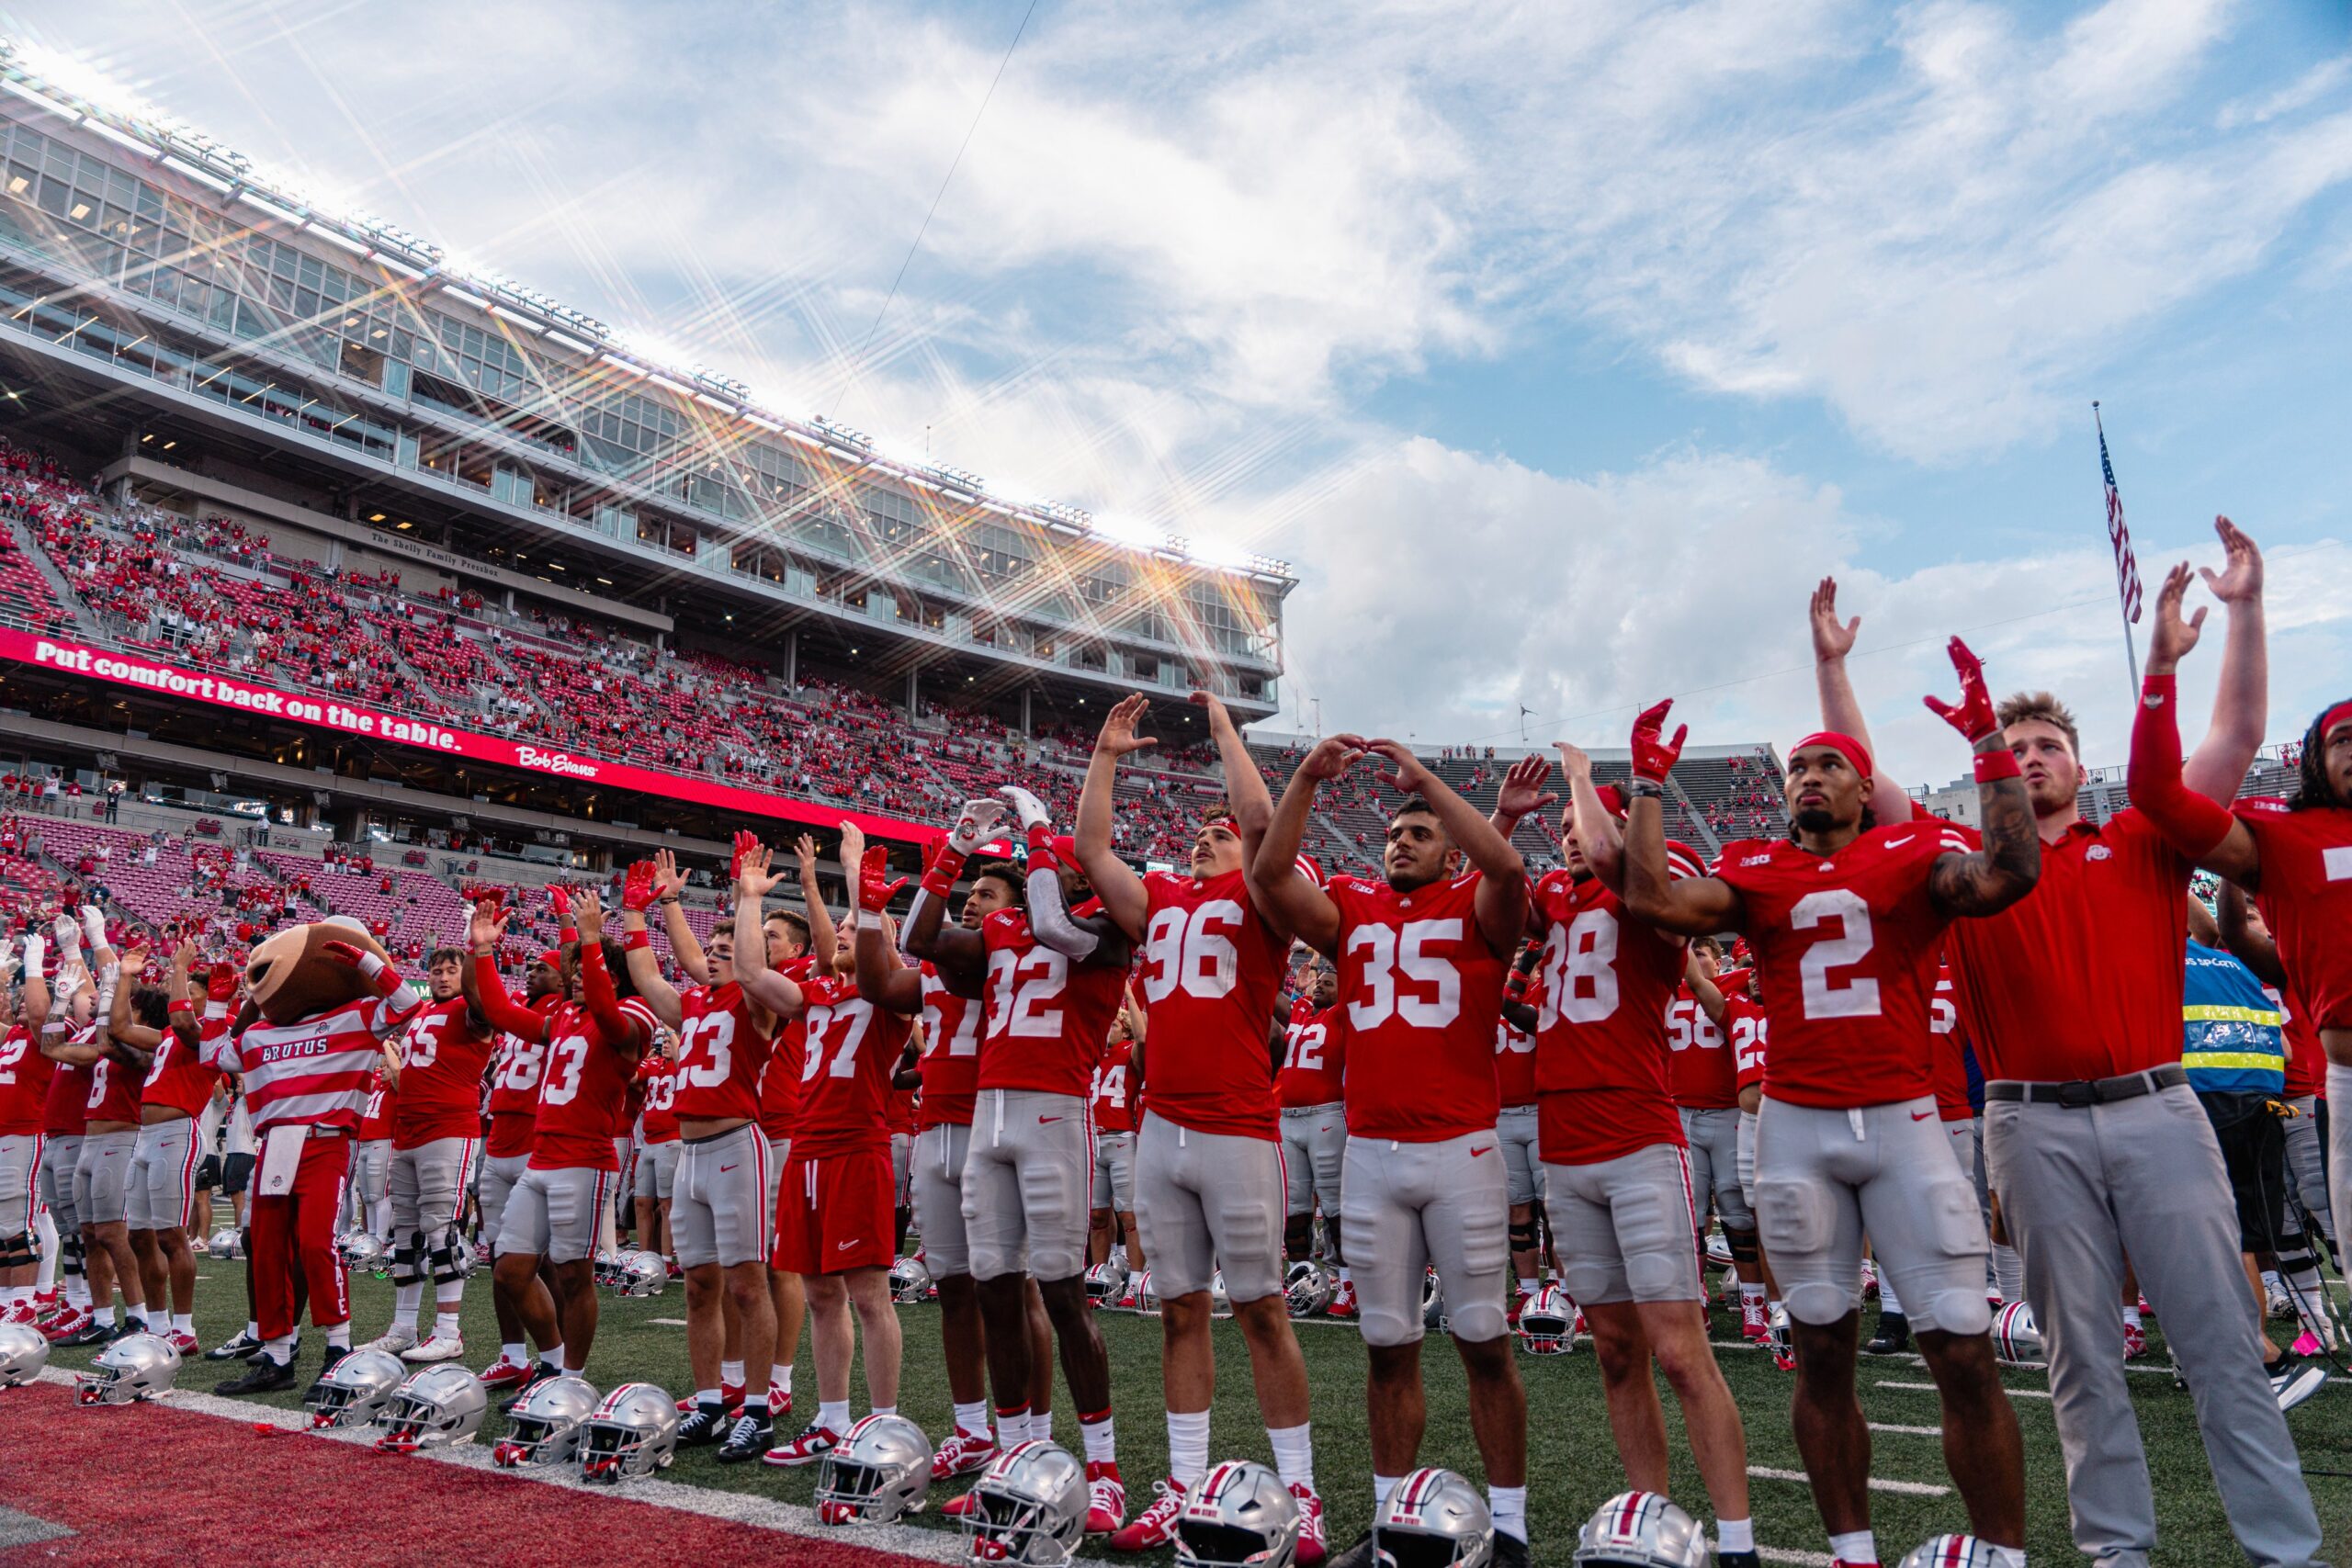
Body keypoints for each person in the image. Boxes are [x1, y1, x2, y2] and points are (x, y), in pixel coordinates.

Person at [1812, 536, 2324, 1568]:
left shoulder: (2141, 833)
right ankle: (2115, 1552)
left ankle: (2283, 1552)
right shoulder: (1964, 861)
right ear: (1990, 768)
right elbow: (1865, 782)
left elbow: (2235, 733)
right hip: (2027, 1118)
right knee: (2078, 1355)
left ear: (2077, 764)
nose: (2032, 755)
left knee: (2220, 1341)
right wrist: (1833, 666)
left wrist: (2246, 610)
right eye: (2015, 744)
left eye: (2047, 742)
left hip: (2158, 1108)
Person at [1618, 637, 2038, 1568]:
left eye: (1829, 764)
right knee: (1821, 1353)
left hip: (1904, 1120)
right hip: (1797, 1129)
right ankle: (1852, 1553)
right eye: (1799, 765)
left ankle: (2003, 1554)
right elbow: (1649, 901)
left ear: (1863, 786)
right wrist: (1646, 786)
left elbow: (2011, 873)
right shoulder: (1756, 869)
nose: (1809, 774)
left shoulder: (1913, 850)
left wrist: (1988, 747)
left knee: (1962, 1351)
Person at [1247, 733, 1531, 1568]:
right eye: (1392, 834)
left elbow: (1510, 873)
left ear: (1450, 842)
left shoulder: (1480, 903)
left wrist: (1430, 786)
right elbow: (1268, 878)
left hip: (1461, 1149)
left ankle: (1508, 1524)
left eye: (1417, 833)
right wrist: (1302, 777)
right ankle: (1390, 1519)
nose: (1399, 842)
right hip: (1371, 1152)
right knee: (1387, 1346)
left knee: (1483, 1339)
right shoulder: (1355, 906)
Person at [1072, 692, 1327, 1561]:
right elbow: (1091, 850)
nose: (1201, 837)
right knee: (1180, 1311)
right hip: (1163, 1128)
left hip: (1238, 1126)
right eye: (1199, 832)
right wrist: (1106, 756)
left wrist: (1224, 727)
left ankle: (1302, 1493)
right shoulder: (1163, 901)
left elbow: (1260, 818)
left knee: (1260, 1311)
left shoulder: (1264, 893)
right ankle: (1184, 1483)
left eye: (1215, 832)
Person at [1524, 748, 1755, 1567]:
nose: (1568, 840)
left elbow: (1634, 874)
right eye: (1559, 831)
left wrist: (1587, 780)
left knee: (1681, 1350)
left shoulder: (1648, 885)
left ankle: (1738, 1541)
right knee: (1616, 1350)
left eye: (1578, 826)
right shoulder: (1551, 898)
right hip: (1563, 1141)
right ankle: (1650, 1524)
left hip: (1638, 1136)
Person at [905, 792, 1130, 1535]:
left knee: (1064, 1297)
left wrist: (1036, 826)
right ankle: (1017, 1459)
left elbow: (1056, 928)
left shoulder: (1108, 928)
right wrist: (956, 845)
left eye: (1048, 861)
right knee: (995, 1293)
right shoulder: (1003, 928)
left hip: (1053, 1115)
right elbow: (920, 938)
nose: (1037, 866)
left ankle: (1104, 1470)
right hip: (989, 1117)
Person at [621, 850, 796, 1462]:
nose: (713, 958)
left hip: (733, 1145)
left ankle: (756, 1410)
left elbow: (740, 965)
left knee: (749, 1285)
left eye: (727, 952)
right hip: (689, 1152)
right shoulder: (695, 1004)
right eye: (712, 951)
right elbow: (648, 977)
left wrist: (747, 898)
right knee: (698, 1284)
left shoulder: (756, 1001)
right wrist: (639, 912)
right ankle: (710, 1401)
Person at [897, 850, 1057, 1489]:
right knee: (955, 1286)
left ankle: (1037, 1438)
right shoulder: (938, 970)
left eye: (986, 895)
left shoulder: (1015, 961)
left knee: (1017, 1289)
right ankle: (971, 1431)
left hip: (992, 1124)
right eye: (971, 892)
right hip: (934, 1124)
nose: (972, 901)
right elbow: (883, 979)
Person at [209, 922, 422, 1395]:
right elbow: (214, 1055)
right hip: (274, 1144)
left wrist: (366, 962)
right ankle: (278, 1356)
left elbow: (409, 1003)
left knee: (315, 1244)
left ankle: (338, 1349)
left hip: (326, 1140)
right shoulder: (262, 1032)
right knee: (264, 1248)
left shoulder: (357, 1015)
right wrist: (232, 1002)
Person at [761, 829, 918, 1466]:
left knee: (868, 1294)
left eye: (859, 925)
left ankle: (884, 1427)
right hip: (807, 1148)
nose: (846, 933)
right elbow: (760, 967)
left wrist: (855, 873)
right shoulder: (819, 992)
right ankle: (831, 1420)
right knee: (822, 1293)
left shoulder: (892, 990)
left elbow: (867, 947)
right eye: (844, 926)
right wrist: (782, 891)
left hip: (858, 1147)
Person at [468, 889, 654, 1404]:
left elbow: (612, 1019)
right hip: (542, 1156)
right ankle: (550, 1363)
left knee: (575, 1274)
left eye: (584, 972)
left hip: (585, 1160)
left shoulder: (633, 1014)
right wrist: (483, 951)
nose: (574, 977)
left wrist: (593, 940)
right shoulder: (563, 1018)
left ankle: (573, 1381)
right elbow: (502, 1012)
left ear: (612, 979)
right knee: (510, 1268)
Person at [362, 946, 495, 1364]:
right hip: (408, 1129)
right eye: (435, 970)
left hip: (449, 1129)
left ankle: (448, 1331)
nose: (441, 977)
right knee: (406, 1232)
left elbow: (482, 1000)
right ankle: (403, 1328)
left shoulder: (471, 1011)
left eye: (451, 971)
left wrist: (478, 950)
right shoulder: (419, 1013)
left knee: (441, 1229)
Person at [475, 941, 563, 1392]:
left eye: (540, 967)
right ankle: (513, 1355)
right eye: (527, 966)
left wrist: (572, 930)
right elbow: (488, 999)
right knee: (499, 1259)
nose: (529, 972)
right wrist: (481, 948)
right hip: (500, 1139)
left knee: (536, 1261)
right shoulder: (518, 1012)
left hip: (535, 1136)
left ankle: (558, 1356)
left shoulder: (562, 1009)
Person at [127, 942, 224, 1354]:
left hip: (177, 1132)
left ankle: (183, 1329)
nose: (176, 984)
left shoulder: (209, 1029)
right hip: (145, 1136)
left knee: (170, 1235)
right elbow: (118, 1029)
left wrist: (179, 966)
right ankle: (157, 1322)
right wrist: (123, 978)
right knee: (138, 1235)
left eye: (188, 985)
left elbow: (185, 1022)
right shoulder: (166, 1032)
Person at [1276, 960, 1351, 1317]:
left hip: (1325, 1114)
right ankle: (1300, 1277)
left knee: (1335, 1204)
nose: (1320, 986)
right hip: (1288, 1119)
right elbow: (1275, 1001)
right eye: (1318, 981)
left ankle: (1346, 1282)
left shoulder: (1340, 1016)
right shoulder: (1301, 1012)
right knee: (1295, 1206)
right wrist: (1297, 989)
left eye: (1329, 983)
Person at [1, 931, 58, 1325]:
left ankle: (27, 1298)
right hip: (6, 1132)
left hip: (25, 1131)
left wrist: (33, 966)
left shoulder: (45, 1034)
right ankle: (8, 1295)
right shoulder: (13, 1036)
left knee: (20, 1221)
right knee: (5, 1221)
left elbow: (40, 1015)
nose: (22, 1005)